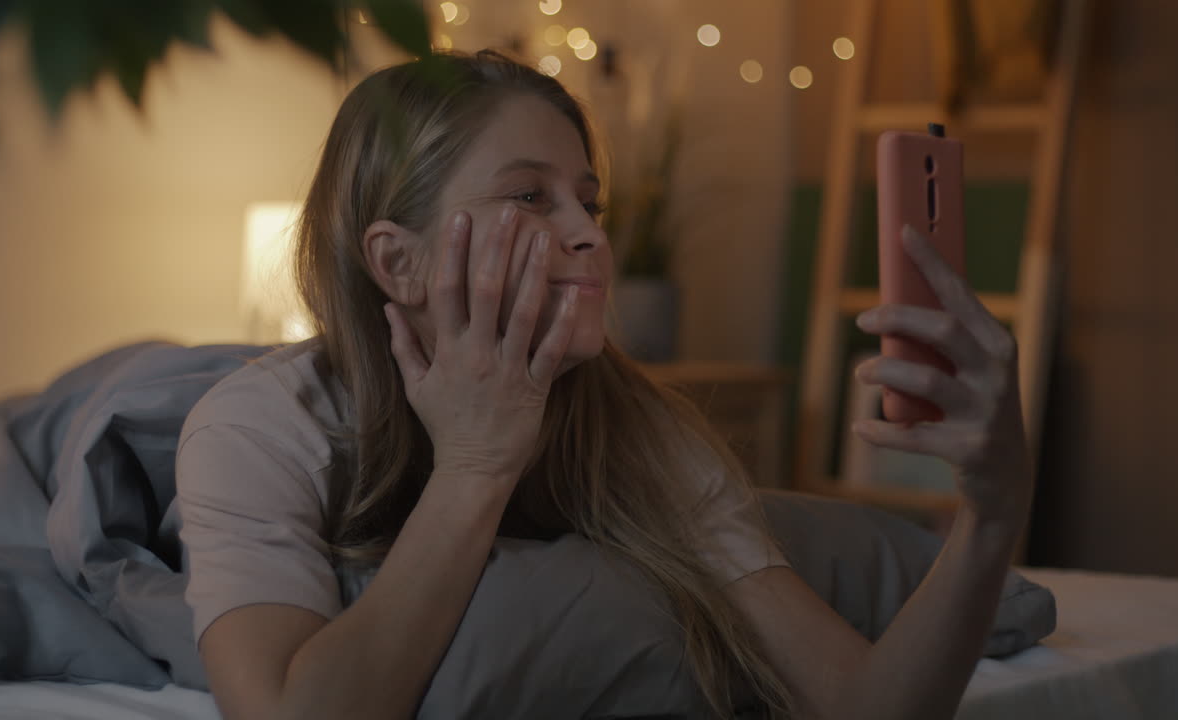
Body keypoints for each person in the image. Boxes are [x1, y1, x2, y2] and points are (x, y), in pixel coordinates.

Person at [175, 50, 1034, 720]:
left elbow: (861, 708)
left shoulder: (634, 428)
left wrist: (994, 510)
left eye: (590, 203)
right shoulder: (255, 427)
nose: (589, 234)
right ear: (397, 261)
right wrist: (476, 464)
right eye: (532, 198)